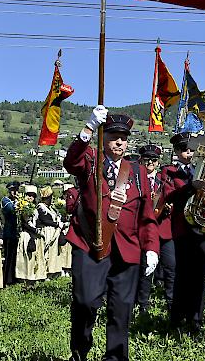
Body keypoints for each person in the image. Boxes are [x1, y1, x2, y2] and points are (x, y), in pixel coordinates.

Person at [63, 106, 159, 361]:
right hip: (90, 244)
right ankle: (79, 351)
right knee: (85, 302)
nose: (119, 142)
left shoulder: (138, 172)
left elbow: (147, 215)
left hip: (127, 249)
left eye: (124, 138)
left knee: (121, 310)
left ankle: (115, 358)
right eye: (114, 136)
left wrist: (151, 248)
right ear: (103, 137)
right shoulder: (91, 160)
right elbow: (71, 162)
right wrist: (88, 127)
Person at [162, 133, 205, 332]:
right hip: (182, 228)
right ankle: (177, 317)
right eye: (184, 150)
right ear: (176, 152)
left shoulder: (204, 170)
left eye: (192, 149)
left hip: (204, 228)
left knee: (200, 276)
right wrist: (191, 186)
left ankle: (196, 319)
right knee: (181, 274)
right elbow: (168, 195)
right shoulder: (169, 172)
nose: (189, 153)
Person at [135, 144, 167, 313]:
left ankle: (144, 303)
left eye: (153, 160)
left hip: (157, 229)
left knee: (150, 267)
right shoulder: (135, 179)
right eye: (146, 159)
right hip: (136, 229)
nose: (150, 163)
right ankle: (133, 300)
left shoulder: (162, 183)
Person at [15, 185, 47, 283]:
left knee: (35, 256)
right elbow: (25, 223)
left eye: (32, 196)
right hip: (27, 235)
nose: (30, 197)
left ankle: (34, 276)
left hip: (35, 234)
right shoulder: (22, 207)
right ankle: (25, 276)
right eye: (28, 195)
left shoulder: (35, 208)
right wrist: (35, 230)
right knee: (26, 256)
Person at [37, 186, 63, 279]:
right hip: (47, 231)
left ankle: (51, 272)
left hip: (52, 231)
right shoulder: (41, 207)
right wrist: (56, 224)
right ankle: (45, 272)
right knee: (46, 252)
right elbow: (44, 220)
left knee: (53, 252)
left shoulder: (51, 208)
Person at [1, 181, 20, 286]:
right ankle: (7, 279)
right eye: (12, 190)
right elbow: (10, 209)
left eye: (16, 190)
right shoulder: (5, 200)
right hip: (9, 232)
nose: (14, 192)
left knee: (16, 256)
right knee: (9, 256)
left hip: (17, 232)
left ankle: (15, 277)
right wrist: (18, 202)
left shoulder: (20, 201)